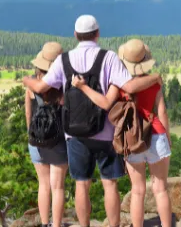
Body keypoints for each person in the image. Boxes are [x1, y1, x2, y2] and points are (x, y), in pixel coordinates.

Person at [23, 15, 161, 227]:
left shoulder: (63, 60)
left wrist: (25, 80)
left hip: (74, 133)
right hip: (105, 131)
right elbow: (131, 87)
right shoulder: (109, 57)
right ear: (97, 34)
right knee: (110, 184)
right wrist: (155, 78)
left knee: (81, 184)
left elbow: (41, 88)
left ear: (75, 35)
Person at [72, 39, 173, 227]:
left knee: (137, 190)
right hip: (156, 133)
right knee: (160, 189)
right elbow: (162, 112)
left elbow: (105, 103)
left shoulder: (118, 85)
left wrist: (82, 87)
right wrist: (167, 137)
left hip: (130, 139)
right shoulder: (154, 83)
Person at [25, 42, 69, 227]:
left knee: (43, 185)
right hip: (58, 141)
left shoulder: (32, 87)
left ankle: (44, 223)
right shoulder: (63, 87)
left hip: (36, 141)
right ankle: (56, 225)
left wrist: (32, 136)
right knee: (58, 186)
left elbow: (28, 114)